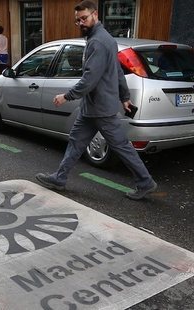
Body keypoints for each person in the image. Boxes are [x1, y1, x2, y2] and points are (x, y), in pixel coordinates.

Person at [35, 0, 157, 200]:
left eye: (84, 18)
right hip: (92, 108)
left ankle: (145, 182)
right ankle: (60, 177)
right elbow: (117, 71)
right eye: (78, 20)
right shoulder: (105, 39)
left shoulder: (98, 42)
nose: (81, 22)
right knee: (76, 142)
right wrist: (125, 97)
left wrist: (66, 96)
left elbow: (90, 78)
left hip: (100, 109)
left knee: (121, 146)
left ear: (95, 15)